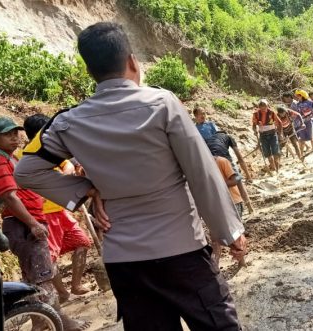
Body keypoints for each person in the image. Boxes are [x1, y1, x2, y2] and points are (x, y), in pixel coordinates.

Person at [14, 22, 246, 331]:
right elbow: (201, 171)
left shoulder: (68, 122)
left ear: (89, 71)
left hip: (125, 262)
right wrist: (228, 231)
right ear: (132, 61)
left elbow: (26, 170)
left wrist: (85, 191)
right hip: (182, 250)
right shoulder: (163, 104)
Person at [0, 117, 89, 331]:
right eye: (8, 134)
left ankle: (41, 322)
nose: (15, 137)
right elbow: (10, 197)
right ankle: (61, 323)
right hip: (22, 224)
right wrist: (32, 224)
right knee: (43, 278)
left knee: (37, 277)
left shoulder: (11, 159)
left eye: (16, 133)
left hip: (26, 222)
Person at [22, 114, 93, 302]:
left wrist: (65, 178)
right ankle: (62, 293)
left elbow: (68, 164)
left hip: (61, 209)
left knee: (82, 242)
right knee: (50, 257)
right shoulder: (25, 156)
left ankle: (75, 285)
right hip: (44, 214)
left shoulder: (50, 151)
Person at [204, 131, 255, 213]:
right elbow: (240, 158)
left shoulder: (209, 139)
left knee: (218, 180)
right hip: (224, 157)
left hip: (210, 159)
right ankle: (249, 207)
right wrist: (248, 176)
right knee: (237, 179)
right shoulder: (228, 137)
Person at [210, 156, 245, 266]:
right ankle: (216, 263)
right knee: (214, 237)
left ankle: (241, 262)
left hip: (232, 202)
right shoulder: (199, 166)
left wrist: (217, 184)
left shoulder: (221, 161)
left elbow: (234, 180)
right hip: (216, 204)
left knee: (236, 234)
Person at [251, 99, 283, 173]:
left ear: (267, 105)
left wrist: (280, 133)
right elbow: (254, 125)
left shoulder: (271, 112)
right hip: (263, 135)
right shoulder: (256, 114)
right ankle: (272, 167)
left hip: (272, 134)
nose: (263, 108)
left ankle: (277, 169)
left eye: (264, 106)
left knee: (275, 151)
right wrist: (254, 130)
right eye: (261, 106)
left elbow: (279, 123)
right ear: (259, 106)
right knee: (267, 152)